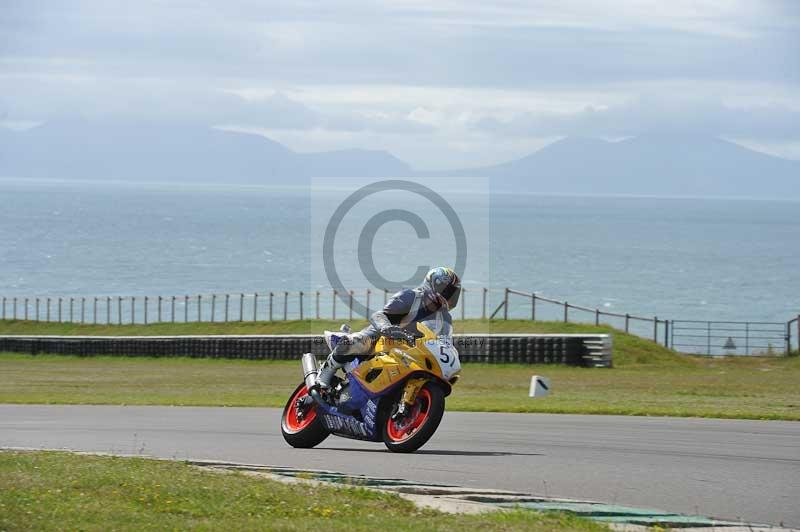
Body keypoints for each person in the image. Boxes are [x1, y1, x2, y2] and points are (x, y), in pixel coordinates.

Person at [316, 267, 461, 389]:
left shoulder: (445, 317)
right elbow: (379, 315)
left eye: (453, 295)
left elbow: (443, 342)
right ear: (434, 285)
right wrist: (388, 328)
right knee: (358, 341)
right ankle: (326, 371)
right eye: (448, 293)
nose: (449, 298)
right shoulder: (411, 297)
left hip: (410, 349)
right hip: (383, 337)